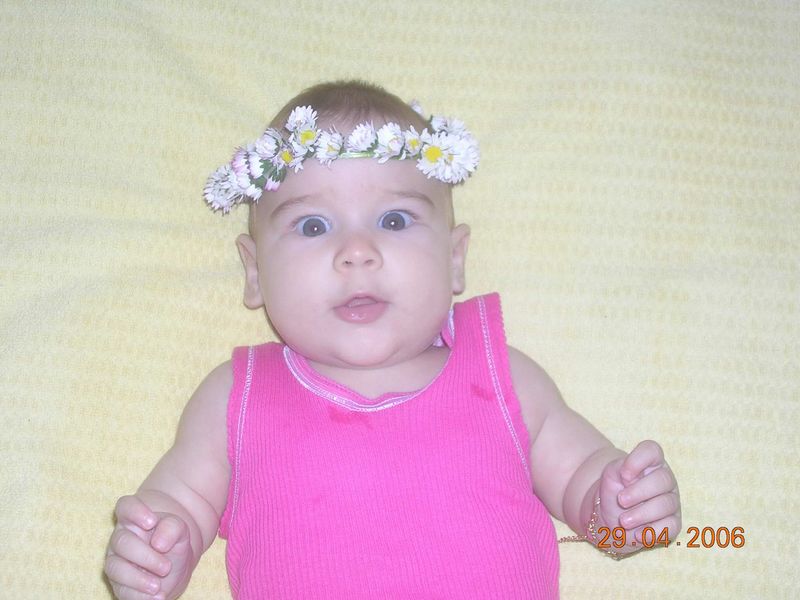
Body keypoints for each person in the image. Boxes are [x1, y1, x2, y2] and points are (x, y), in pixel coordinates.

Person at [104, 80, 681, 600]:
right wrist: (157, 551)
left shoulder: (504, 379)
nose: (357, 252)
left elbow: (583, 485)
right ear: (254, 273)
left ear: (454, 260)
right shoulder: (238, 397)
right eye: (313, 226)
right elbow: (182, 501)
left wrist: (622, 509)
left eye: (395, 220)